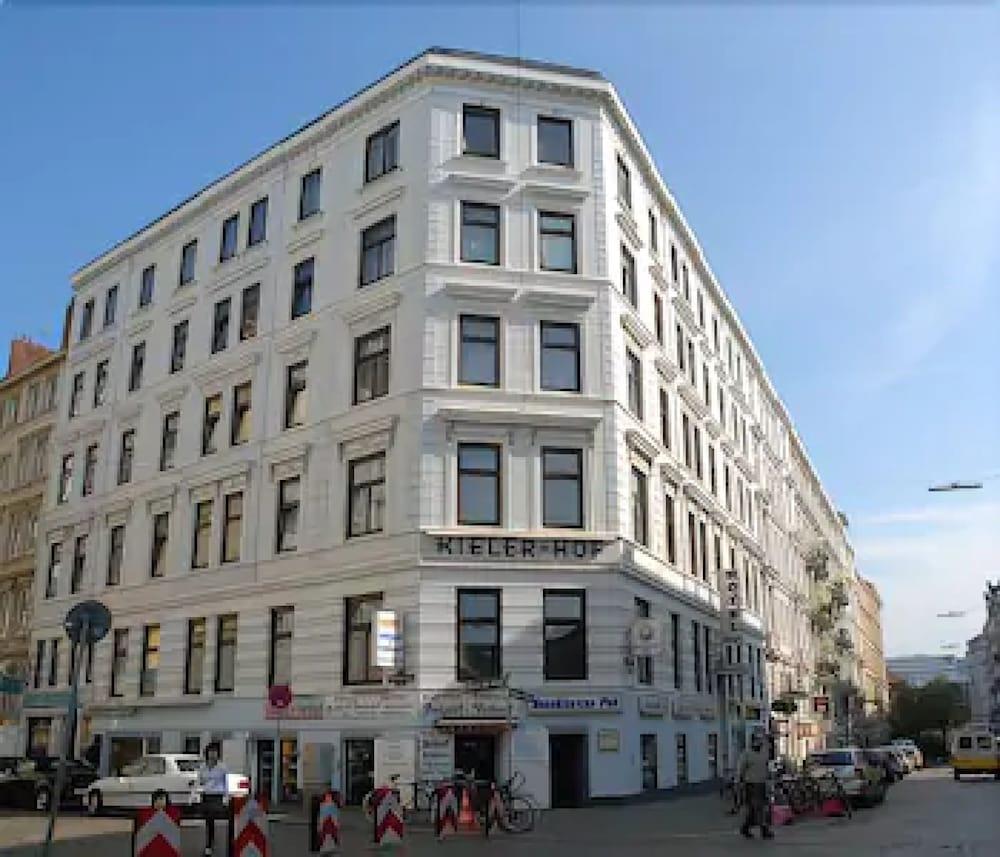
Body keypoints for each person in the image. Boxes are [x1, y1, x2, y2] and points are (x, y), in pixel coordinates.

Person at [736, 732, 773, 839]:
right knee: (758, 808)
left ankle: (745, 828)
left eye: (761, 740)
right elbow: (740, 768)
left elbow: (767, 766)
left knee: (755, 809)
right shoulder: (746, 754)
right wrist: (738, 781)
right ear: (752, 741)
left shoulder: (764, 753)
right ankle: (764, 830)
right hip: (751, 784)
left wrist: (770, 777)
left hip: (762, 783)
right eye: (757, 740)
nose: (760, 742)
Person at [198, 743, 229, 856]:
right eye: (211, 751)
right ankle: (210, 842)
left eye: (215, 752)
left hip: (217, 796)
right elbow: (199, 782)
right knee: (208, 821)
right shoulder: (202, 767)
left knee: (211, 817)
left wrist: (225, 798)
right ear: (207, 753)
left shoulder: (222, 767)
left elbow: (226, 784)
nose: (213, 754)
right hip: (206, 795)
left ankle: (209, 844)